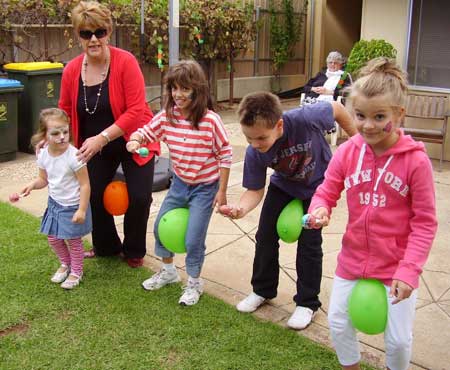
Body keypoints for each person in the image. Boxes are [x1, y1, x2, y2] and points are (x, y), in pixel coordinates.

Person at [306, 58, 437, 370]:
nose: (368, 125)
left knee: (399, 341)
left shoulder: (416, 162)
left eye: (380, 116)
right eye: (360, 115)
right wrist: (319, 208)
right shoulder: (349, 152)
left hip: (396, 267)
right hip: (352, 261)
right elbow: (327, 189)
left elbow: (425, 223)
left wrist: (409, 271)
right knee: (337, 322)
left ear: (398, 114)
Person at [218, 91, 357, 329]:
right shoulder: (254, 151)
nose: (254, 144)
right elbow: (254, 190)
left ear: (279, 125)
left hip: (318, 188)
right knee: (265, 237)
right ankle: (262, 290)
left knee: (309, 244)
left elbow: (336, 108)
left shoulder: (305, 118)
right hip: (284, 186)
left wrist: (358, 143)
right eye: (249, 138)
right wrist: (240, 209)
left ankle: (307, 303)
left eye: (261, 138)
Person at [58, 1, 160, 267]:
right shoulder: (71, 70)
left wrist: (102, 137)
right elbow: (64, 110)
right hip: (94, 146)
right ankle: (106, 246)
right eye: (86, 33)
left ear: (109, 32)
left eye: (99, 32)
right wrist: (56, 141)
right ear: (78, 36)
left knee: (139, 196)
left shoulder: (125, 62)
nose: (93, 39)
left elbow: (137, 110)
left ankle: (134, 250)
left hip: (134, 138)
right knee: (90, 192)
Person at [127, 60, 232, 306]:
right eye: (174, 88)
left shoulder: (210, 120)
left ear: (197, 90)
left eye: (184, 89)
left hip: (205, 189)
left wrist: (223, 191)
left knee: (193, 239)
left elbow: (225, 154)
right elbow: (146, 132)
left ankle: (194, 283)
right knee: (159, 229)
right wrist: (135, 140)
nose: (178, 94)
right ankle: (169, 272)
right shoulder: (167, 117)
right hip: (179, 184)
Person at [9, 108, 92, 289]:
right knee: (53, 239)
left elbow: (85, 185)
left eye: (65, 131)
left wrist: (82, 209)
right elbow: (43, 179)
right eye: (55, 133)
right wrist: (32, 185)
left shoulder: (75, 156)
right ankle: (66, 263)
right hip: (55, 204)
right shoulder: (44, 154)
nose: (62, 136)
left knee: (74, 241)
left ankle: (77, 271)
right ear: (44, 135)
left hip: (72, 205)